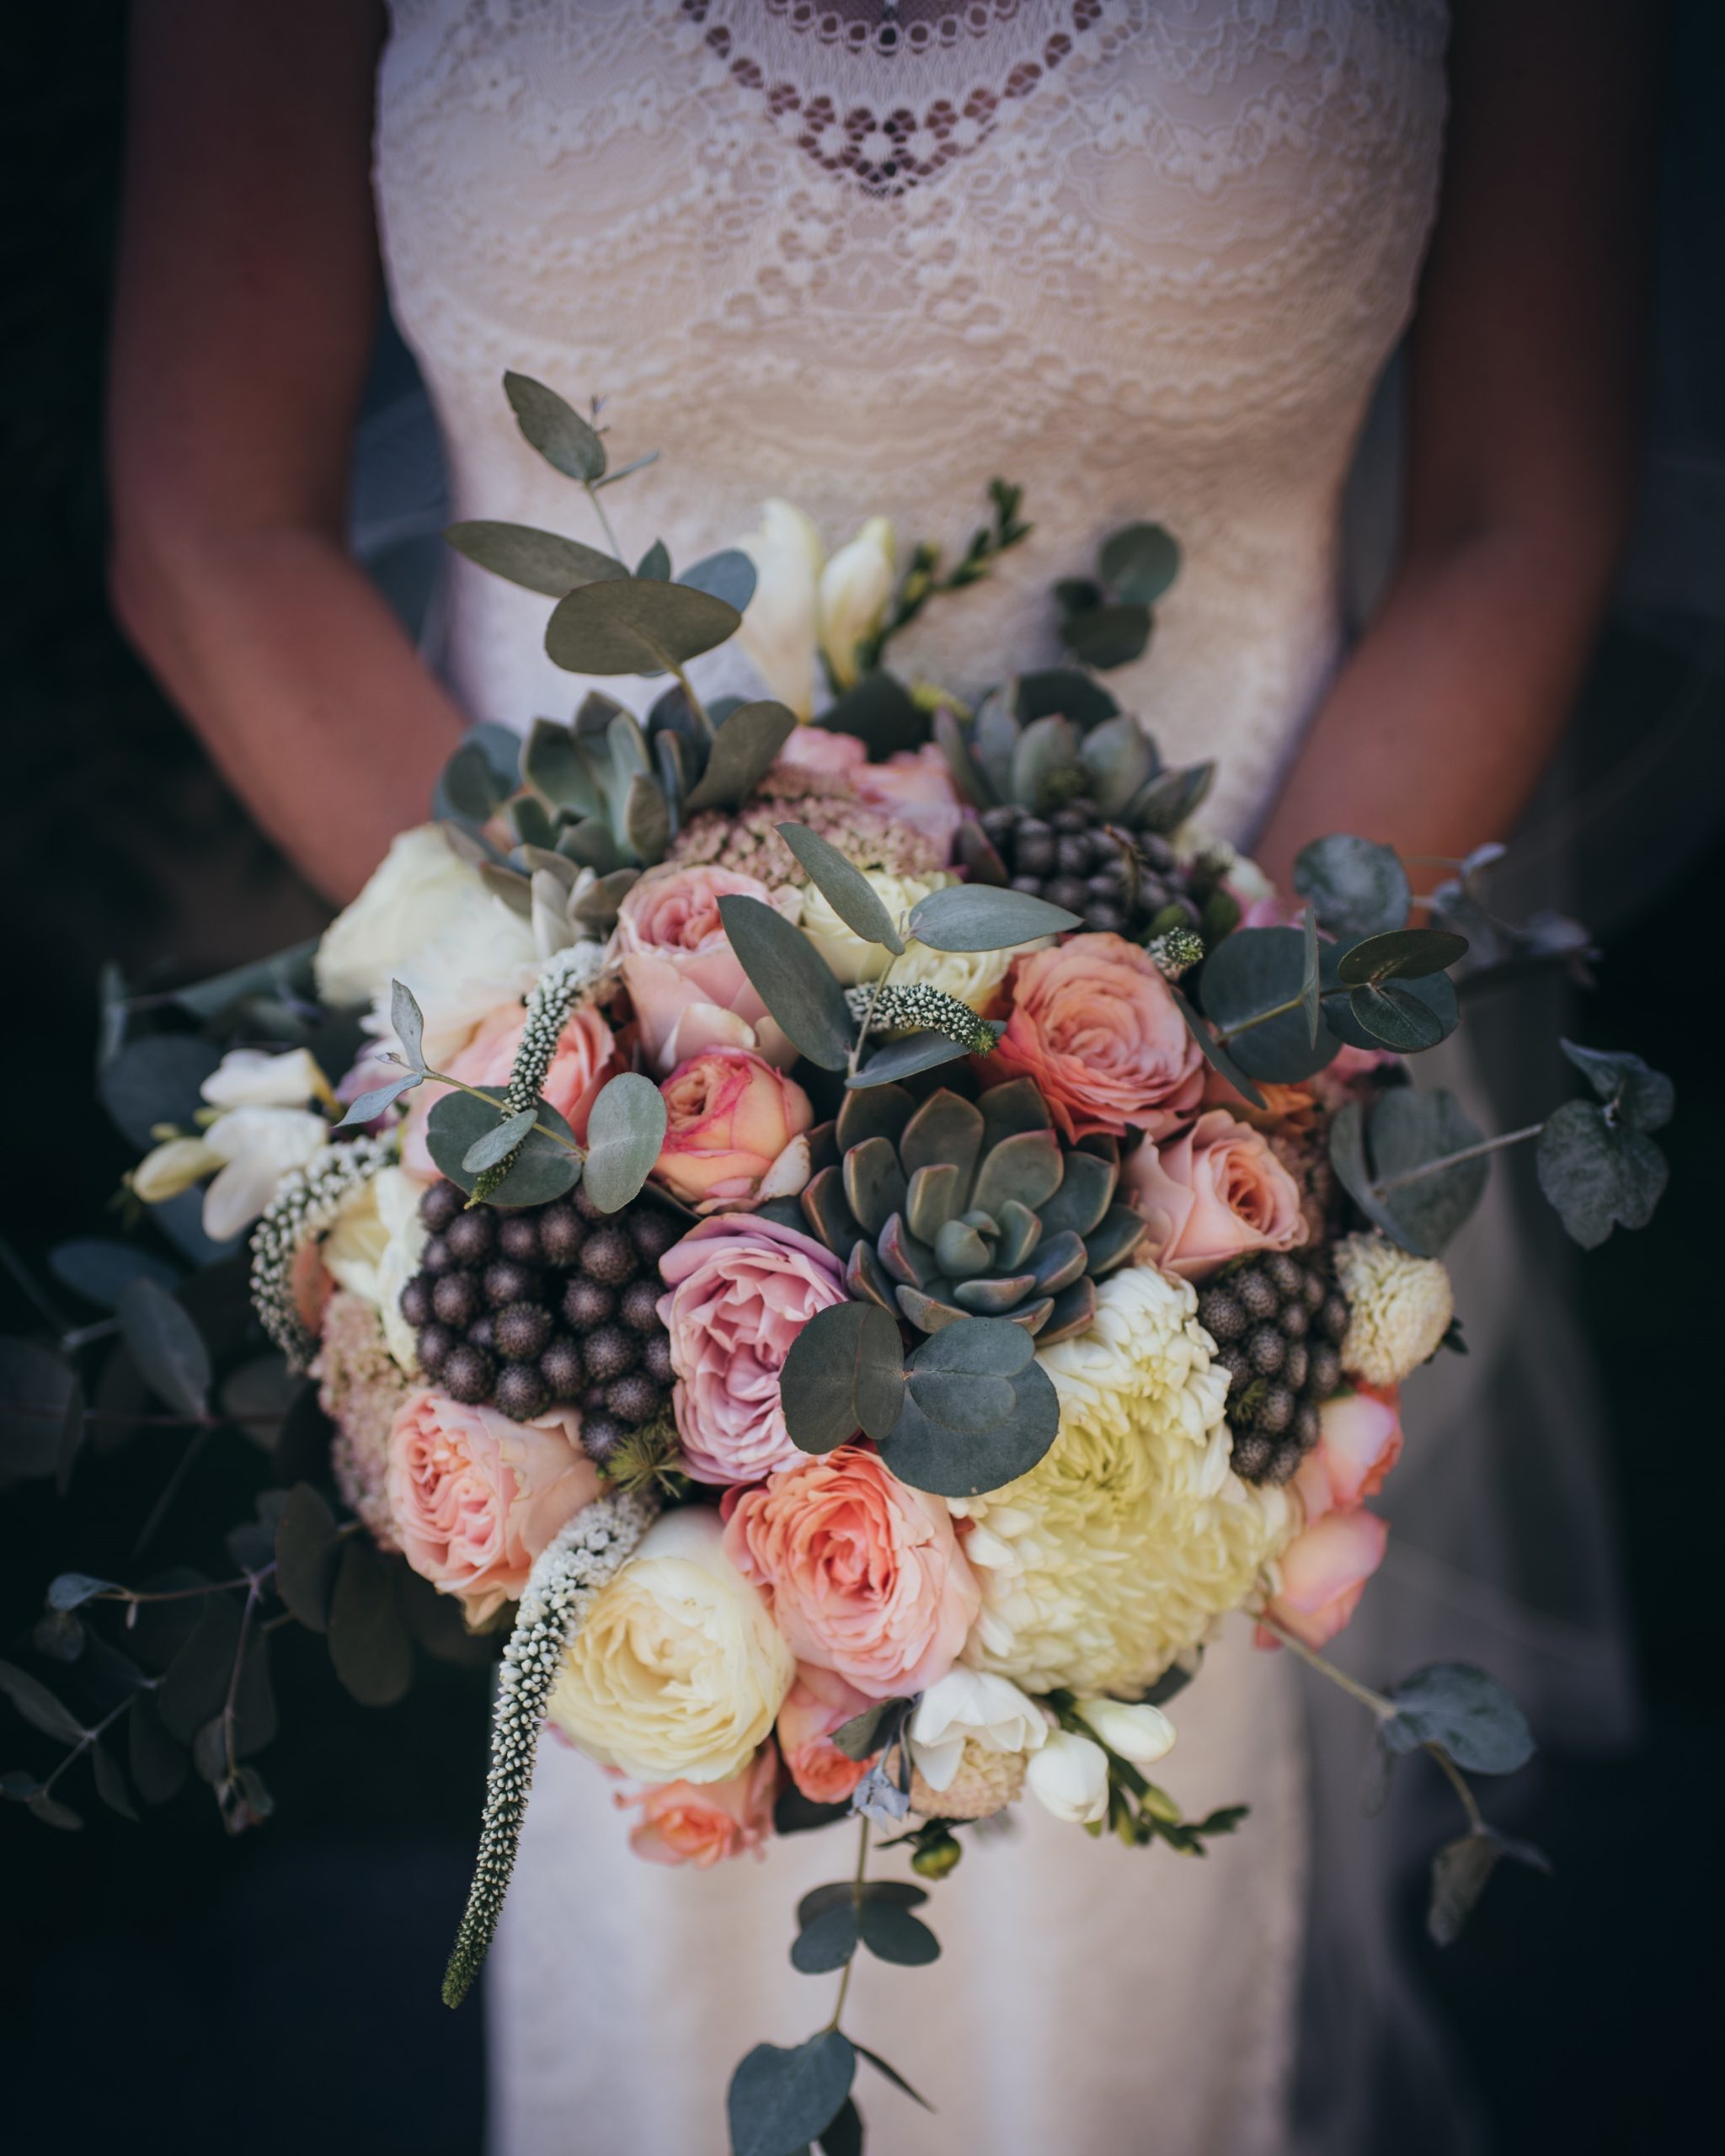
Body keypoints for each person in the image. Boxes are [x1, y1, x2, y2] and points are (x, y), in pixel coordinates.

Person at [107, 5, 1658, 2151]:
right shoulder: (578, 1180)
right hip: (582, 1166)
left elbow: (1515, 508)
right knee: (661, 1907)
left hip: (1203, 1145)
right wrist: (557, 1077)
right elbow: (209, 508)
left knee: (1126, 1932)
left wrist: (1213, 1112)